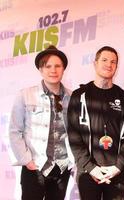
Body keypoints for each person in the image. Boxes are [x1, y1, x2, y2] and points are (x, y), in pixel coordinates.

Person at [67, 46, 124, 200]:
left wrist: (119, 166)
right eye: (104, 60)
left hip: (117, 173)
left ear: (116, 67)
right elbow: (73, 135)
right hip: (88, 172)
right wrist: (90, 167)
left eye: (113, 62)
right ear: (95, 63)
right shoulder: (80, 96)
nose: (109, 64)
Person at [8, 45, 74, 200]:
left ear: (63, 68)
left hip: (62, 167)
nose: (53, 70)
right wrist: (27, 160)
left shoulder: (72, 97)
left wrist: (72, 161)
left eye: (57, 66)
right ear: (40, 69)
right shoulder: (25, 95)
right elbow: (14, 130)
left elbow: (75, 132)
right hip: (35, 166)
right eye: (48, 66)